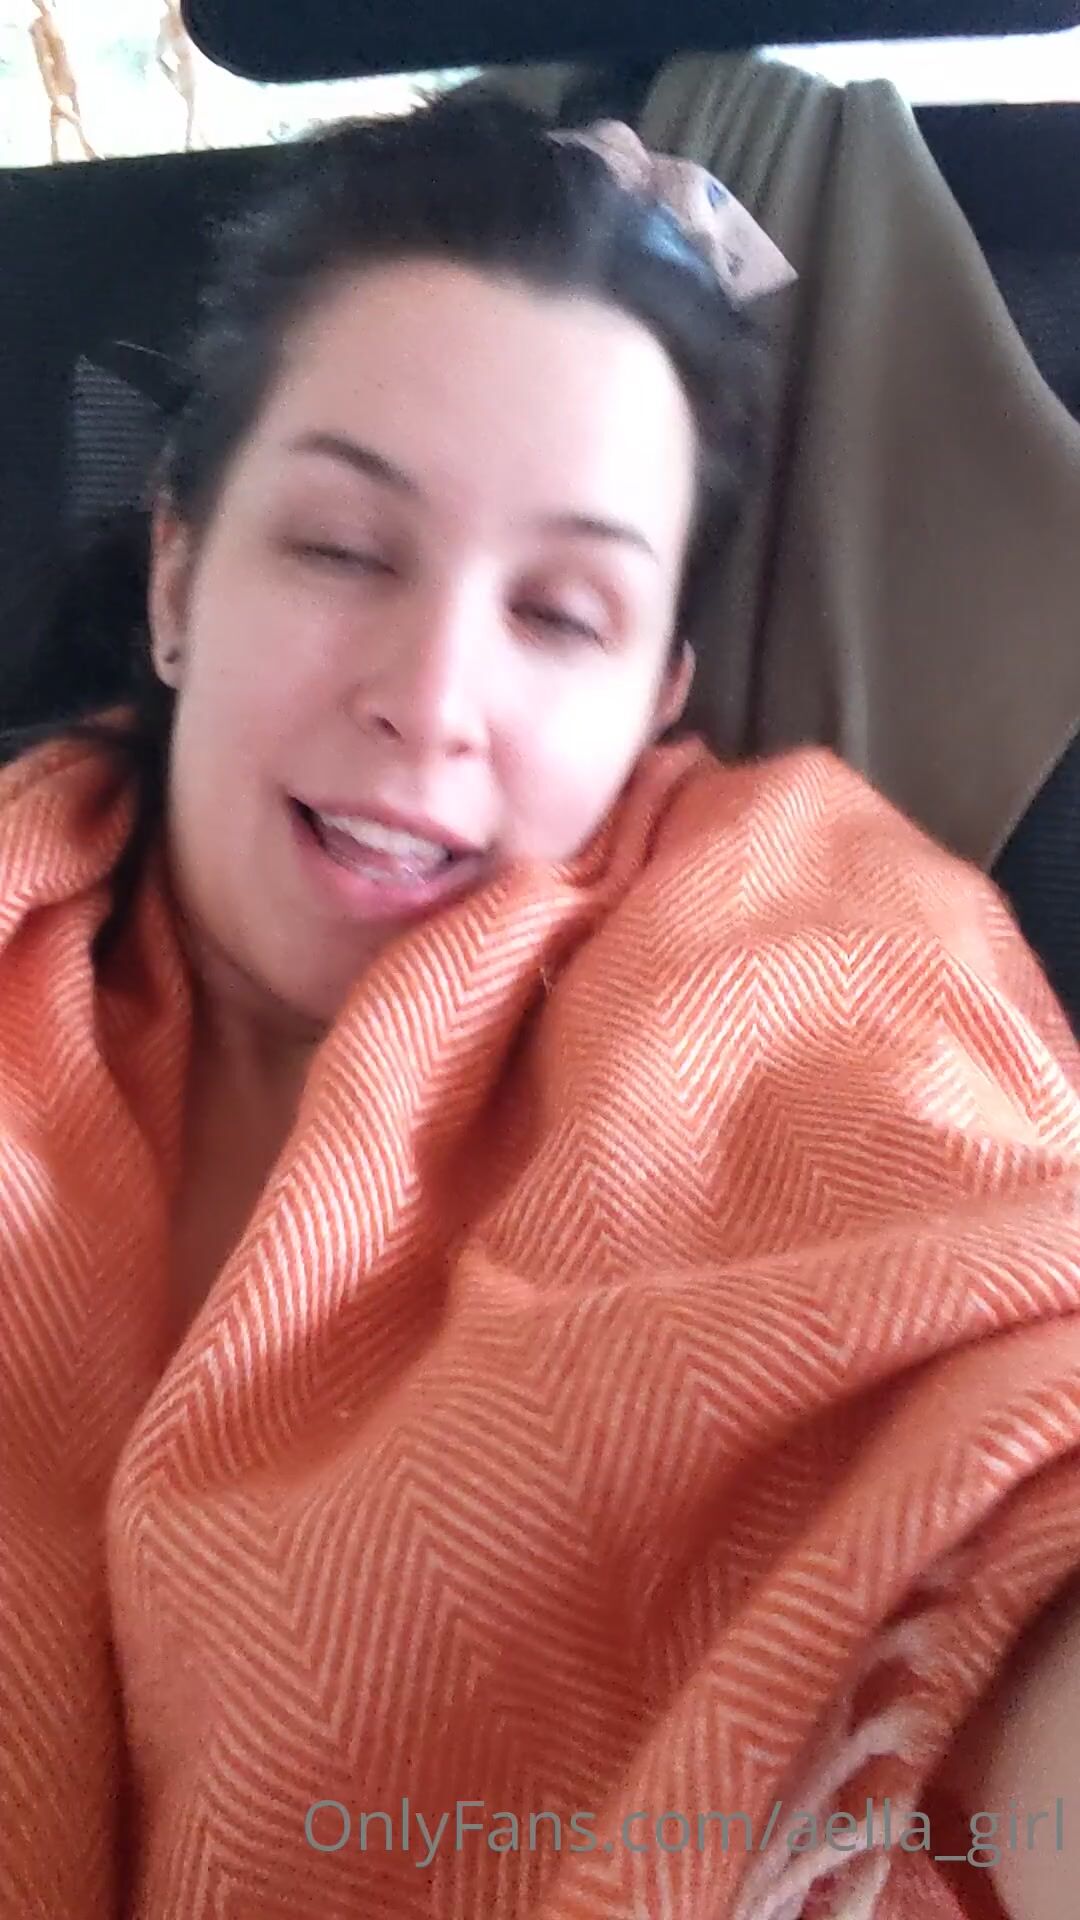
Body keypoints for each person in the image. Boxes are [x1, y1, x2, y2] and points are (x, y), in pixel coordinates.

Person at [0, 89, 1078, 1920]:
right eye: (344, 550)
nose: (434, 699)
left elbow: (1012, 1397)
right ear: (179, 572)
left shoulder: (799, 936)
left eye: (563, 613)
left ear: (660, 696)